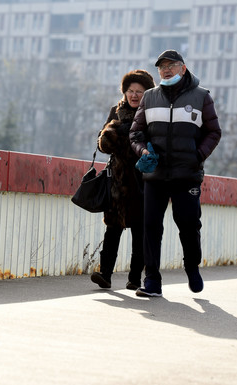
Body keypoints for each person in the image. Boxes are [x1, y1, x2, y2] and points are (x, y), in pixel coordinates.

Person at [129, 50, 222, 297]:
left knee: (189, 225)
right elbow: (136, 133)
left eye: (171, 65)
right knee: (151, 227)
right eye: (162, 67)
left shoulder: (202, 97)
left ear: (183, 68)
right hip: (155, 175)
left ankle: (192, 267)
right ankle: (152, 281)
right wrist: (142, 152)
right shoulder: (149, 97)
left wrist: (197, 156)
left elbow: (214, 132)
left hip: (187, 175)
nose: (166, 70)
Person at [90, 69, 155, 290]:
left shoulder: (153, 115)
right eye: (130, 91)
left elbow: (154, 146)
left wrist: (126, 139)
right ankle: (105, 274)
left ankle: (134, 278)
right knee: (113, 229)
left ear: (147, 93)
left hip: (143, 181)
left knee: (139, 233)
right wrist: (115, 132)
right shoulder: (116, 112)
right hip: (117, 182)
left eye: (139, 91)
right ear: (124, 92)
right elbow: (103, 144)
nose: (134, 95)